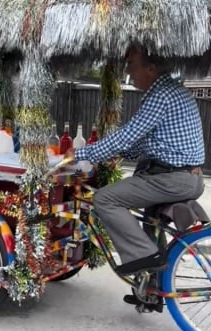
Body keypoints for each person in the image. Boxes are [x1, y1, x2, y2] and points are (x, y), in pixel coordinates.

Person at [64, 44, 205, 304]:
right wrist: (120, 154)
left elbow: (127, 134)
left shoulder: (160, 94)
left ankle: (144, 258)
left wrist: (79, 155)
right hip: (183, 176)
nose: (128, 71)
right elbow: (149, 141)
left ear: (151, 68)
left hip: (173, 178)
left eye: (132, 64)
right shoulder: (170, 90)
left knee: (105, 198)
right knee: (150, 223)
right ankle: (150, 291)